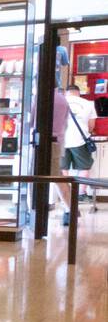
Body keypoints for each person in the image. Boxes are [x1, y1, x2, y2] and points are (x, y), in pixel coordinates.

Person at [61, 83, 96, 225]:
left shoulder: (60, 101)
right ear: (78, 93)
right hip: (80, 141)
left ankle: (67, 196)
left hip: (62, 140)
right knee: (85, 167)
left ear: (66, 93)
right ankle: (80, 193)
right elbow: (91, 126)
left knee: (63, 169)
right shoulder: (88, 103)